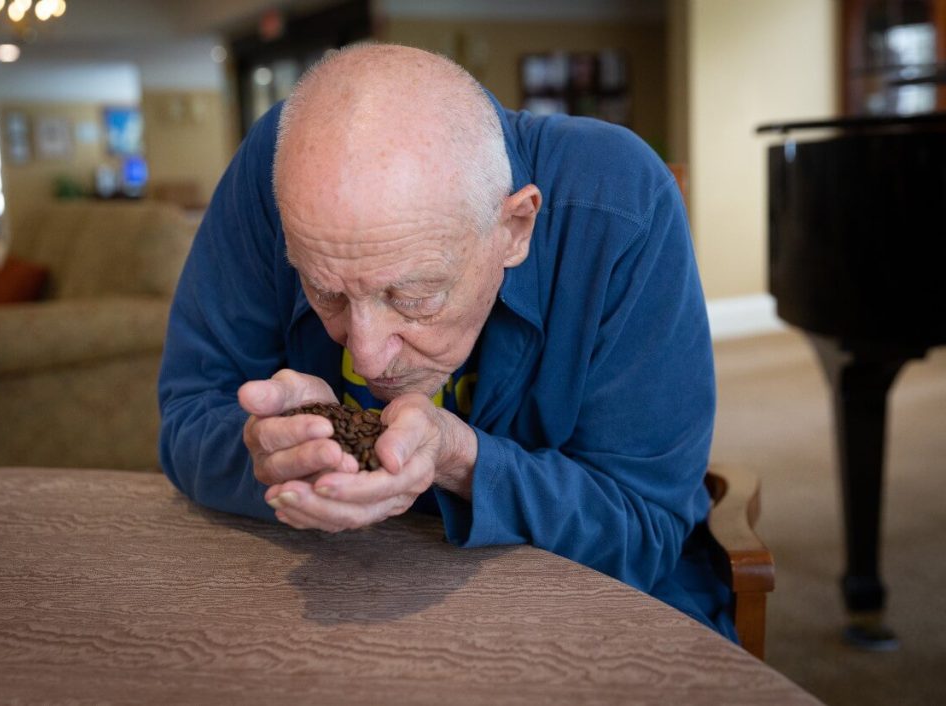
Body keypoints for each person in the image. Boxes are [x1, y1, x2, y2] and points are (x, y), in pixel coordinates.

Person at [158, 43, 735, 640]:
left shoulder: (621, 203)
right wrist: (273, 449)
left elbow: (642, 528)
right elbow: (187, 415)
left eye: (413, 298)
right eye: (324, 291)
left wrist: (460, 460)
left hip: (566, 611)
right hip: (335, 588)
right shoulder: (279, 166)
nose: (366, 354)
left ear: (515, 229)